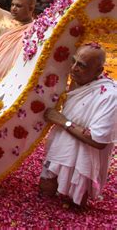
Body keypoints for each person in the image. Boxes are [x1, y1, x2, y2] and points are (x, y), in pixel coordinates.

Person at [40, 44, 116, 207]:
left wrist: (62, 121)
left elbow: (98, 141)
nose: (73, 68)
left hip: (83, 160)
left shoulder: (110, 96)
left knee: (76, 205)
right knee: (45, 192)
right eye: (73, 62)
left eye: (81, 65)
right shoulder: (79, 81)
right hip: (61, 148)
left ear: (98, 71)